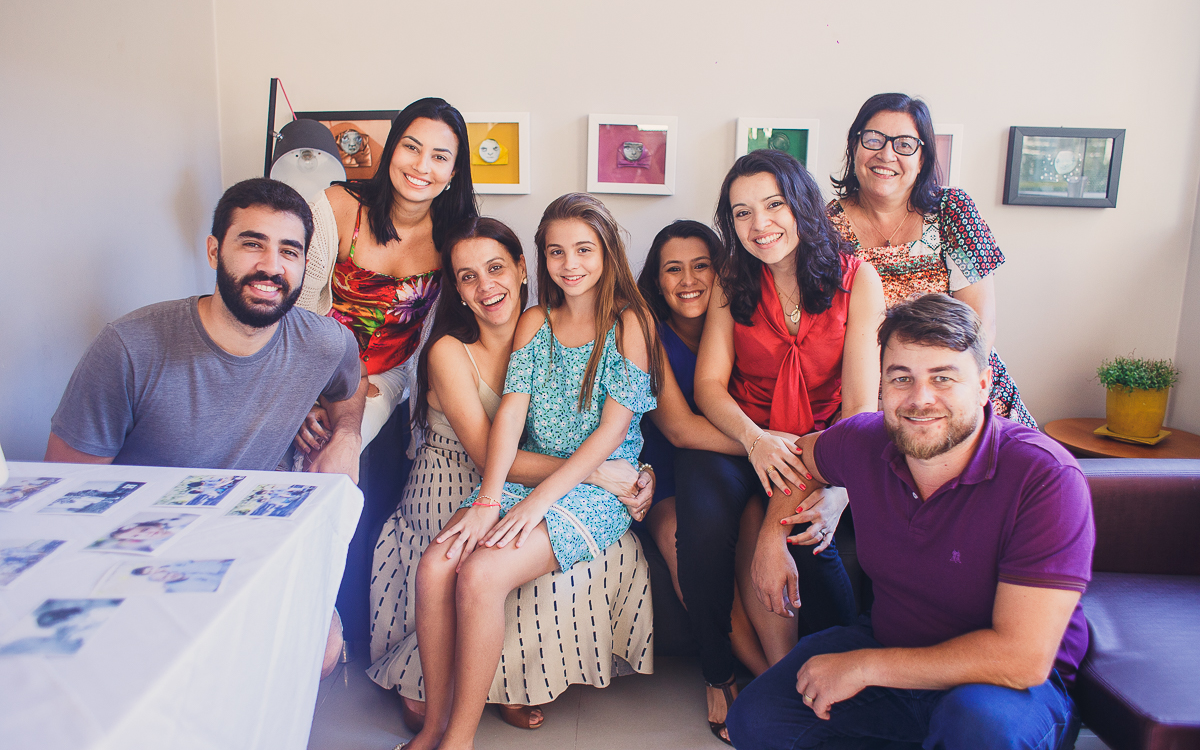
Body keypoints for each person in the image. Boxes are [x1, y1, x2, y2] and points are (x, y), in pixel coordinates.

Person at [727, 294, 1094, 750]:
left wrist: (863, 667)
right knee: (757, 720)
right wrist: (770, 539)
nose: (920, 400)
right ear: (881, 386)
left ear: (983, 386)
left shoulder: (1045, 478)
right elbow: (802, 455)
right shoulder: (865, 440)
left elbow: (1022, 659)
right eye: (901, 379)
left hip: (1005, 686)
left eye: (943, 378)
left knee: (979, 731)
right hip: (891, 641)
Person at [45, 177, 366, 676]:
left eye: (289, 251)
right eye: (251, 243)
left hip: (245, 541)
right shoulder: (130, 348)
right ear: (215, 249)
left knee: (320, 649)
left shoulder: (323, 342)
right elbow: (66, 493)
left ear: (306, 264)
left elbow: (353, 385)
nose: (271, 266)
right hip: (136, 547)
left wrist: (347, 435)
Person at [367, 217, 654, 732]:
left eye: (584, 250)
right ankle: (434, 725)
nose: (570, 265)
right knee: (437, 565)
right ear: (541, 259)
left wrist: (539, 500)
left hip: (587, 487)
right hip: (532, 479)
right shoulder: (534, 321)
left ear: (608, 252)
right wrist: (489, 500)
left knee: (480, 574)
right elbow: (512, 417)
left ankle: (457, 739)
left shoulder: (630, 322)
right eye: (557, 252)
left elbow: (614, 431)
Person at [678, 149, 886, 743]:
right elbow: (709, 387)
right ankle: (732, 675)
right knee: (705, 519)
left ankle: (836, 677)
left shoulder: (856, 278)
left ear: (801, 205)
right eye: (741, 214)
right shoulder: (731, 279)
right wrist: (754, 438)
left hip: (821, 443)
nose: (759, 224)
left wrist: (837, 486)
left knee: (802, 539)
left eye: (773, 205)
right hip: (740, 434)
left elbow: (858, 408)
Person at [293, 97, 479, 650]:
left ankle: (317, 617)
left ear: (453, 171)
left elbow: (438, 338)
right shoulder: (335, 205)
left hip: (385, 378)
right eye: (411, 147)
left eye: (440, 156)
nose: (422, 165)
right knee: (276, 450)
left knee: (325, 464)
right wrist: (303, 392)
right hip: (311, 366)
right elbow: (300, 311)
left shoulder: (456, 236)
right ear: (391, 148)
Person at [635, 220, 843, 677]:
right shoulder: (649, 334)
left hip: (745, 461)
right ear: (656, 280)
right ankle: (739, 676)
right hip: (667, 470)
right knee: (690, 551)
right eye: (673, 270)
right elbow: (681, 431)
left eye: (701, 266)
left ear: (723, 272)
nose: (688, 281)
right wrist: (769, 446)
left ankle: (779, 673)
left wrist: (770, 450)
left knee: (756, 535)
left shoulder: (743, 322)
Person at [827, 92, 1036, 426]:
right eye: (873, 139)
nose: (886, 154)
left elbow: (981, 325)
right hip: (873, 401)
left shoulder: (954, 211)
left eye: (905, 144)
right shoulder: (823, 229)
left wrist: (937, 388)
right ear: (853, 147)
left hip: (961, 388)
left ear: (922, 157)